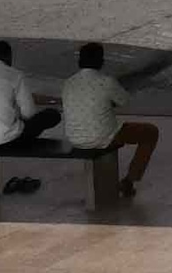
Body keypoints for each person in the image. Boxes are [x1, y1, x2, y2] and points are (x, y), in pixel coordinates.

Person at [55, 42, 155, 195]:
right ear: (100, 61)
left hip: (75, 138)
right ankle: (129, 180)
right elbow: (124, 101)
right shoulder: (107, 81)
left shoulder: (68, 83)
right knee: (150, 132)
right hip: (102, 137)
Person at [0, 39, 62, 191]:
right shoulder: (15, 76)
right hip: (7, 140)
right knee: (52, 115)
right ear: (9, 58)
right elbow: (29, 113)